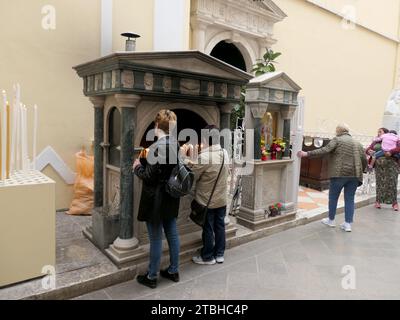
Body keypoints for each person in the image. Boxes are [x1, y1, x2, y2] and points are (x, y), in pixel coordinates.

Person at [133, 110, 181, 289]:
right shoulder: (175, 144)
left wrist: (137, 167)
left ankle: (152, 276)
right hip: (171, 195)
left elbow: (149, 176)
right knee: (173, 233)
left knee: (155, 238)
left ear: (156, 126)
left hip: (156, 199)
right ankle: (173, 270)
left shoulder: (156, 147)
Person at [298, 124, 367, 232]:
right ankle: (347, 224)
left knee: (333, 197)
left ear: (338, 131)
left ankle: (331, 220)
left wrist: (307, 153)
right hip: (354, 175)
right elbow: (364, 159)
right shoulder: (357, 143)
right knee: (350, 199)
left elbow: (324, 150)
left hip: (339, 174)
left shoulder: (337, 140)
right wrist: (362, 170)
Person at [182, 125, 229, 265]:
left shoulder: (205, 156)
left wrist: (183, 157)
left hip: (207, 200)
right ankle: (219, 254)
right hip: (221, 199)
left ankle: (208, 256)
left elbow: (192, 175)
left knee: (208, 227)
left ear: (205, 139)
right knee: (220, 226)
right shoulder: (224, 152)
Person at [367, 128, 400, 211]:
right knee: (380, 183)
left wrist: (391, 152)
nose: (378, 133)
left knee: (392, 183)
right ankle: (378, 201)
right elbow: (368, 149)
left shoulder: (393, 140)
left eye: (380, 132)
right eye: (377, 131)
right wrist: (369, 151)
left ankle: (394, 203)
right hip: (379, 166)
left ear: (386, 133)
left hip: (392, 165)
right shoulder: (376, 141)